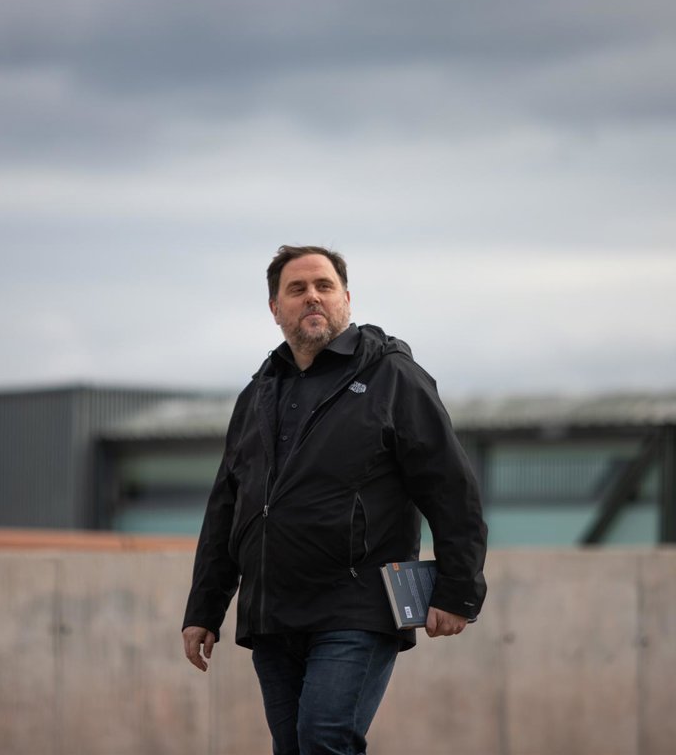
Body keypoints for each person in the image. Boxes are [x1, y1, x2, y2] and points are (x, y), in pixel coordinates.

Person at [182, 245, 488, 755]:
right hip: (272, 612)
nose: (312, 297)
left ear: (346, 298)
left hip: (357, 605)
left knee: (325, 739)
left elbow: (451, 489)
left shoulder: (393, 377)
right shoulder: (257, 393)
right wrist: (204, 609)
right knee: (293, 747)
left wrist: (458, 590)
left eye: (324, 286)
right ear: (275, 308)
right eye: (297, 289)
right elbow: (226, 509)